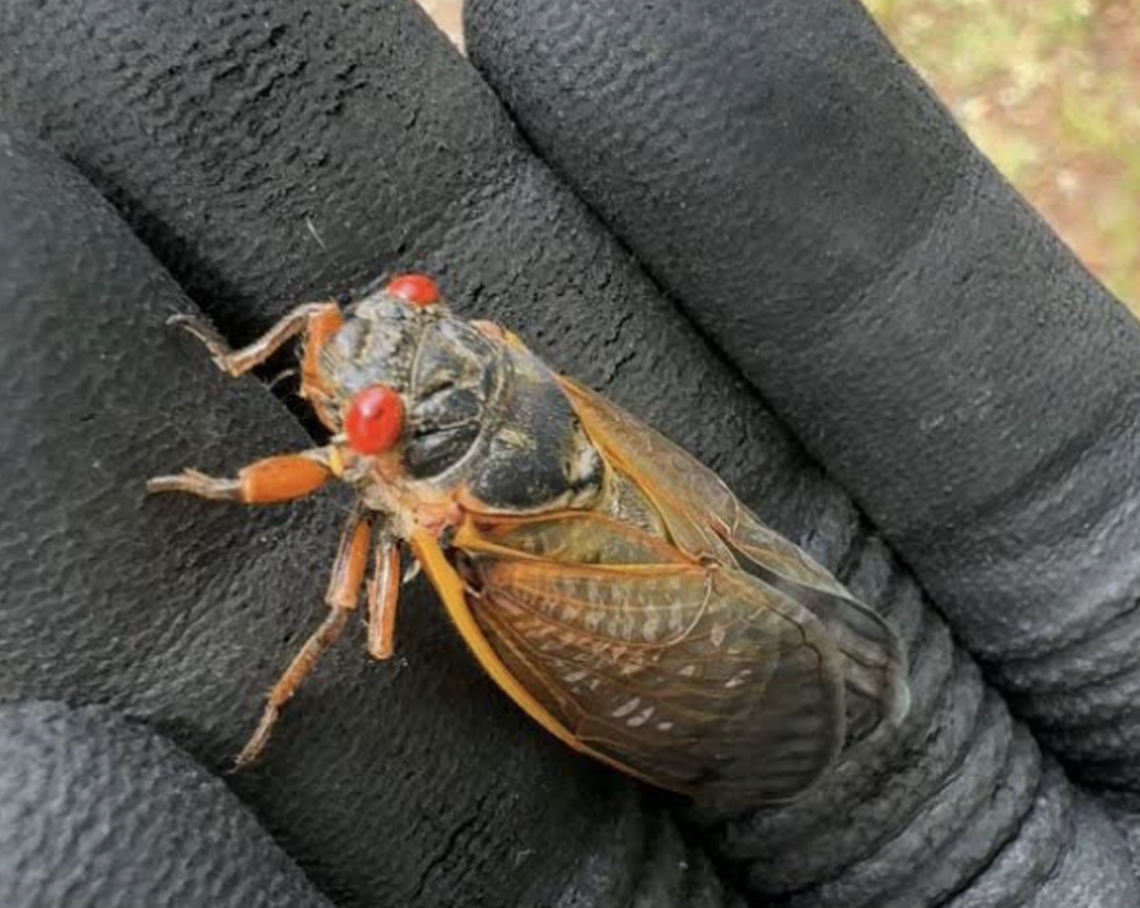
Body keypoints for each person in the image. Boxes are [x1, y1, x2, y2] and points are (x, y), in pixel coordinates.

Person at [1, 0, 1137, 904]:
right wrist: (260, 364)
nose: (363, 334)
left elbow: (360, 605)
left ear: (386, 435)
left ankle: (765, 663)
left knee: (358, 614)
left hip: (542, 560)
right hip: (580, 481)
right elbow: (320, 328)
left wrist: (222, 482)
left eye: (370, 415)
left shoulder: (425, 487)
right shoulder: (455, 353)